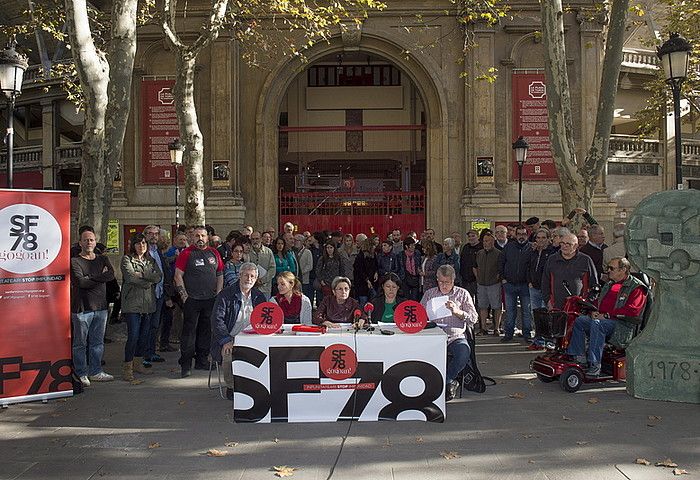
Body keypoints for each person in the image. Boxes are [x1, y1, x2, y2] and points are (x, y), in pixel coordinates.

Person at [567, 258, 647, 376]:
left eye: (611, 268)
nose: (608, 271)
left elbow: (633, 310)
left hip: (623, 326)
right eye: (607, 268)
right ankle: (580, 357)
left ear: (623, 269)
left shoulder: (637, 287)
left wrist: (607, 315)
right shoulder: (609, 285)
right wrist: (593, 312)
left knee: (597, 324)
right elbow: (599, 303)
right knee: (580, 320)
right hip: (605, 320)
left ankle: (595, 365)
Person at [421, 265, 478, 402]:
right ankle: (428, 382)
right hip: (433, 336)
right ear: (437, 280)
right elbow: (419, 315)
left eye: (447, 282)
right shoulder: (430, 294)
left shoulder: (462, 294)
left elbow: (474, 318)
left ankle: (446, 380)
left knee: (464, 351)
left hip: (454, 336)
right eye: (441, 282)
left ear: (453, 280)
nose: (444, 285)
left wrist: (458, 312)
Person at [210, 262, 267, 400]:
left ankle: (257, 386)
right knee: (229, 355)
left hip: (253, 339)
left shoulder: (259, 296)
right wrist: (226, 341)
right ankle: (232, 387)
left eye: (252, 276)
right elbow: (217, 320)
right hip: (231, 338)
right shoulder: (225, 295)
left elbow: (264, 321)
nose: (249, 279)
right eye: (246, 275)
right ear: (239, 276)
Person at [174, 226, 224, 378]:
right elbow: (178, 275)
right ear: (192, 238)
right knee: (189, 334)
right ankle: (186, 364)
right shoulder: (186, 254)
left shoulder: (214, 253)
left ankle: (202, 360)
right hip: (192, 300)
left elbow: (220, 274)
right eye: (197, 235)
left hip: (210, 300)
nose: (200, 238)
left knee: (205, 331)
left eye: (203, 235)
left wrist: (219, 293)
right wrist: (184, 296)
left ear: (208, 237)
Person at [70, 227, 115, 386]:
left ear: (95, 241)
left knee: (97, 342)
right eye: (86, 240)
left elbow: (110, 275)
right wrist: (99, 277)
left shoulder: (102, 259)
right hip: (82, 309)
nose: (89, 242)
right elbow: (80, 282)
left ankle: (95, 371)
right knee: (80, 344)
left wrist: (91, 277)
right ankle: (81, 373)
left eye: (91, 239)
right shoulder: (75, 261)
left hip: (101, 308)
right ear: (80, 242)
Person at [120, 233, 162, 381]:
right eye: (138, 243)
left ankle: (138, 363)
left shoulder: (149, 260)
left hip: (148, 304)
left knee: (144, 336)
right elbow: (130, 277)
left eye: (144, 243)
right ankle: (127, 367)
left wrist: (142, 274)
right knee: (133, 336)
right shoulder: (127, 259)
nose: (141, 246)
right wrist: (148, 280)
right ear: (133, 245)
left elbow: (158, 276)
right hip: (132, 304)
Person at [541, 233, 598, 310]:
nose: (564, 246)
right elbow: (545, 282)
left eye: (568, 244)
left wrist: (587, 303)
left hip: (579, 310)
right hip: (555, 308)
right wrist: (548, 302)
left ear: (576, 246)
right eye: (562, 243)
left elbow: (594, 285)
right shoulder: (552, 260)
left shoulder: (586, 260)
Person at [499, 225, 533, 343]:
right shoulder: (509, 247)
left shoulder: (531, 248)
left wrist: (530, 281)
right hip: (509, 284)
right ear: (515, 235)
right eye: (519, 234)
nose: (521, 237)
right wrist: (503, 278)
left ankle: (527, 333)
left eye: (524, 234)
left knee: (526, 311)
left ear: (527, 235)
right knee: (510, 310)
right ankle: (508, 333)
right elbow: (501, 263)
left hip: (525, 285)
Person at [526, 228, 557, 349]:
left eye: (543, 238)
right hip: (533, 288)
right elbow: (528, 267)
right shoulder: (533, 251)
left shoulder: (552, 253)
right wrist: (529, 280)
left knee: (547, 315)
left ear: (548, 239)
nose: (540, 240)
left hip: (546, 289)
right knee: (535, 314)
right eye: (538, 238)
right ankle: (538, 340)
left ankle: (548, 340)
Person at [143, 225, 169, 367]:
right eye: (150, 234)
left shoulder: (158, 251)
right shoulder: (143, 252)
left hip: (159, 294)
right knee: (145, 325)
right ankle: (143, 354)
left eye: (156, 234)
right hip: (147, 294)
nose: (153, 236)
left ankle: (151, 352)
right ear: (145, 236)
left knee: (154, 325)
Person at [474, 231, 502, 336]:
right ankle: (483, 328)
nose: (486, 243)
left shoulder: (498, 253)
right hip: (481, 284)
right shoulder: (479, 253)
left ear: (493, 242)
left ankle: (497, 328)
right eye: (484, 241)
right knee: (482, 306)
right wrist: (478, 278)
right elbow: (475, 266)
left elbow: (500, 269)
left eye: (488, 241)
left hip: (494, 284)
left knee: (497, 306)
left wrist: (497, 278)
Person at [248, 231, 276, 298]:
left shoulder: (268, 252)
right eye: (253, 239)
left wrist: (262, 280)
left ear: (261, 239)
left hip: (265, 288)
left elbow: (272, 269)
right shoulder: (248, 252)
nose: (255, 241)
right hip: (251, 287)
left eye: (257, 239)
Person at [353, 237, 379, 306]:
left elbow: (376, 265)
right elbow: (359, 271)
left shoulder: (374, 255)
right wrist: (367, 280)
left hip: (372, 282)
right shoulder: (360, 257)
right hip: (362, 284)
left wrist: (376, 272)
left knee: (374, 302)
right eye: (373, 246)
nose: (374, 248)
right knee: (363, 302)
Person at [459, 230, 482, 303]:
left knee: (479, 301)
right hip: (466, 279)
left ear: (478, 236)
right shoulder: (466, 247)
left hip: (477, 279)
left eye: (473, 236)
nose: (471, 238)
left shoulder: (481, 247)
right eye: (469, 236)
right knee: (467, 300)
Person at [294, 234, 314, 302]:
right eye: (295, 240)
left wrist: (300, 272)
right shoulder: (293, 252)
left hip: (304, 279)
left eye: (298, 240)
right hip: (294, 279)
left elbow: (310, 266)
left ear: (302, 242)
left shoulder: (307, 252)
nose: (296, 242)